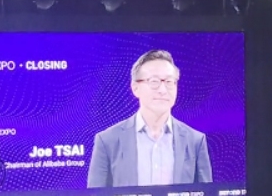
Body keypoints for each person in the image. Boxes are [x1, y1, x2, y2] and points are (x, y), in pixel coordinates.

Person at [87, 50, 213, 188]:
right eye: (154, 81)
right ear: (135, 88)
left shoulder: (195, 140)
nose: (163, 90)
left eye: (169, 82)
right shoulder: (107, 140)